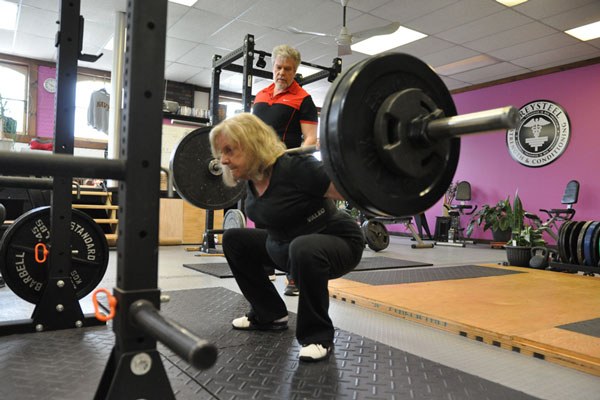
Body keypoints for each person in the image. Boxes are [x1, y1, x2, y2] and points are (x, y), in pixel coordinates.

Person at [209, 113, 364, 362]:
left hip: (335, 240)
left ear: (252, 145)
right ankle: (269, 314)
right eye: (221, 152)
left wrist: (339, 155)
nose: (223, 160)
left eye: (230, 151)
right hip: (284, 246)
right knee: (234, 240)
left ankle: (317, 335)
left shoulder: (295, 167)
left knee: (303, 247)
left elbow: (353, 189)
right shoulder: (251, 178)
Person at [253, 44, 319, 296]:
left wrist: (296, 164)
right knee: (262, 219)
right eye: (279, 67)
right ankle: (265, 270)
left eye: (288, 69)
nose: (282, 73)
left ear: (295, 71)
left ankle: (294, 278)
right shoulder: (260, 95)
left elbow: (310, 139)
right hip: (260, 169)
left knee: (290, 222)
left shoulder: (303, 99)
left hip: (286, 167)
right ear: (273, 67)